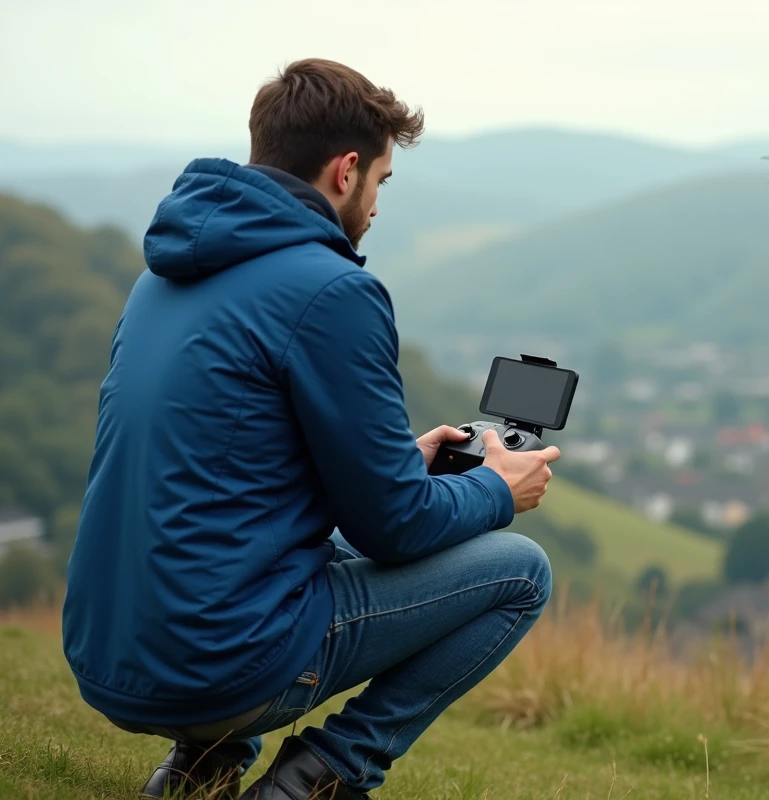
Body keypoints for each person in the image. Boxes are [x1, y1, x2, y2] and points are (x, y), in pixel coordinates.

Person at [60, 58, 560, 800]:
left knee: (300, 543)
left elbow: (240, 468)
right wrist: (493, 488)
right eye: (382, 183)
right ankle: (323, 778)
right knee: (522, 570)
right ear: (346, 170)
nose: (378, 209)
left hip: (108, 650)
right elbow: (394, 529)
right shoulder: (331, 289)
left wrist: (399, 461)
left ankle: (200, 769)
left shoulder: (161, 276)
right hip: (215, 666)